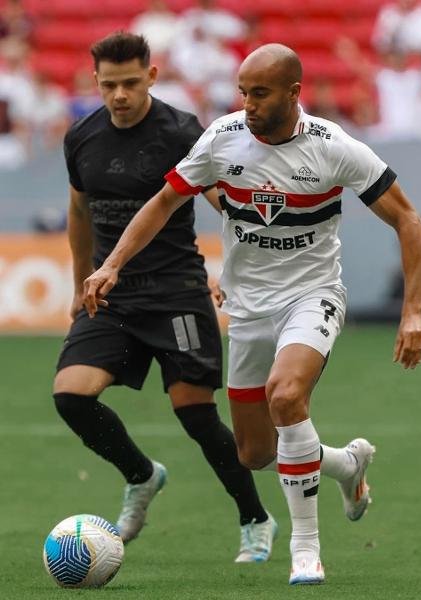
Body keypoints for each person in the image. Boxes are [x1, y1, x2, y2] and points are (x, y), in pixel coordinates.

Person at [85, 40, 421, 583]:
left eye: (260, 93)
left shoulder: (333, 147)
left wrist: (412, 311)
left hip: (312, 296)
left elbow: (409, 221)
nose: (247, 103)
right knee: (254, 452)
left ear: (295, 92)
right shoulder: (223, 139)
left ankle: (306, 550)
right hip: (246, 309)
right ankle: (346, 465)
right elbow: (166, 200)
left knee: (287, 397)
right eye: (243, 91)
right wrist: (112, 266)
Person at [53, 31, 278, 563]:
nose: (120, 96)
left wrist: (242, 268)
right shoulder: (81, 136)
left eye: (130, 83)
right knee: (70, 396)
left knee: (196, 416)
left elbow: (226, 202)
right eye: (109, 86)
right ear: (96, 83)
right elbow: (79, 213)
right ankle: (141, 475)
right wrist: (78, 281)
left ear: (151, 76)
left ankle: (255, 518)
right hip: (112, 295)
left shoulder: (181, 132)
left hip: (176, 291)